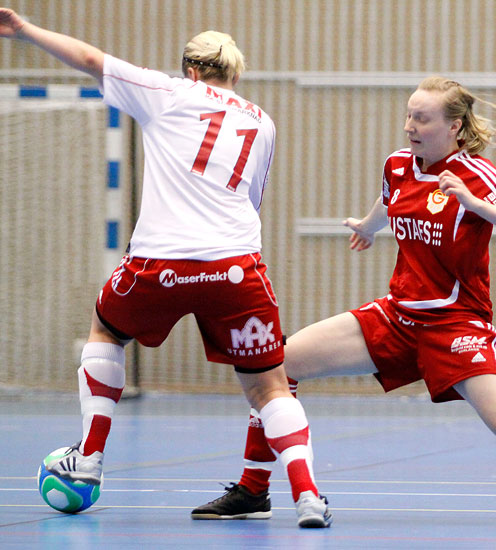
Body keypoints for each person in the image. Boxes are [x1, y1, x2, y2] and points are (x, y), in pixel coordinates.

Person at [191, 77, 496, 528]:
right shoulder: (397, 164)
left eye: (421, 118)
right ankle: (254, 488)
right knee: (278, 363)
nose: (410, 125)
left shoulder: (477, 174)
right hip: (398, 315)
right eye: (408, 115)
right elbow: (390, 198)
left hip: (457, 327)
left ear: (453, 127)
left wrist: (475, 205)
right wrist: (368, 226)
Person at [0, 7, 331, 528]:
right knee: (269, 386)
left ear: (190, 70)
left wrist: (23, 30)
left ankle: (87, 460)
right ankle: (309, 496)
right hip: (236, 267)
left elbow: (89, 58)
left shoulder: (168, 92)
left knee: (106, 331)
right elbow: (253, 200)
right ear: (236, 75)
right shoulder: (262, 120)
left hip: (161, 264)